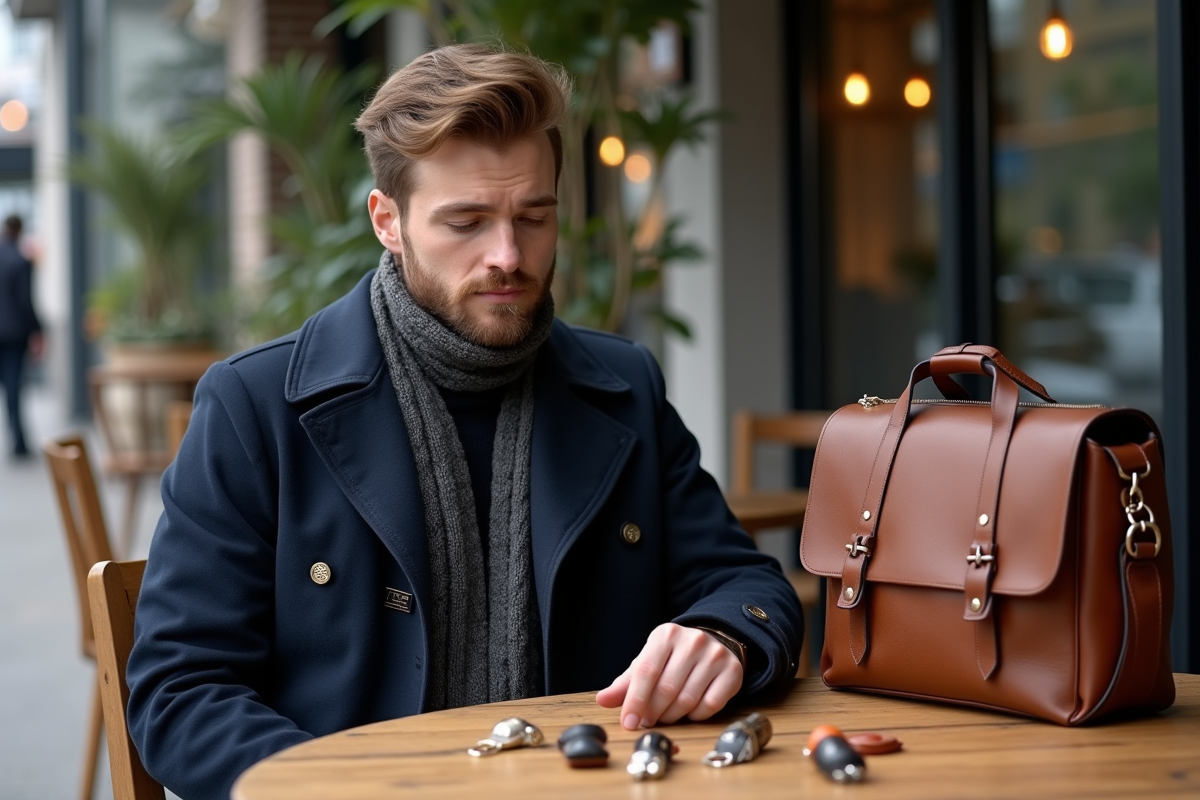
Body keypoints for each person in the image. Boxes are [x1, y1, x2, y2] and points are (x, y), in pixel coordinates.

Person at [126, 44, 803, 800]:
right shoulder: (256, 406)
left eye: (533, 218)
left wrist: (725, 635)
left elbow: (748, 585)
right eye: (467, 222)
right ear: (388, 220)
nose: (508, 256)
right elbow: (179, 692)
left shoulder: (624, 389)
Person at [0, 214, 43, 458]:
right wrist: (37, 331)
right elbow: (25, 301)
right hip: (15, 334)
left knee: (12, 388)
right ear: (19, 231)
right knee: (14, 387)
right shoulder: (20, 260)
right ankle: (18, 442)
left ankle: (18, 440)